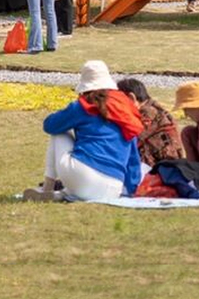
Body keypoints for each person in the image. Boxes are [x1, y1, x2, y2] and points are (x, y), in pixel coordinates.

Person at [26, 60, 144, 202]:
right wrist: (132, 189)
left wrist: (69, 114)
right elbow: (133, 157)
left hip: (82, 176)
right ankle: (64, 193)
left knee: (59, 132)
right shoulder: (126, 110)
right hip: (113, 187)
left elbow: (50, 125)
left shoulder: (83, 106)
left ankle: (47, 187)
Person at [117, 77, 189, 167]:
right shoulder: (153, 108)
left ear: (131, 98)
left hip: (163, 167)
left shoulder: (148, 113)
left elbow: (131, 139)